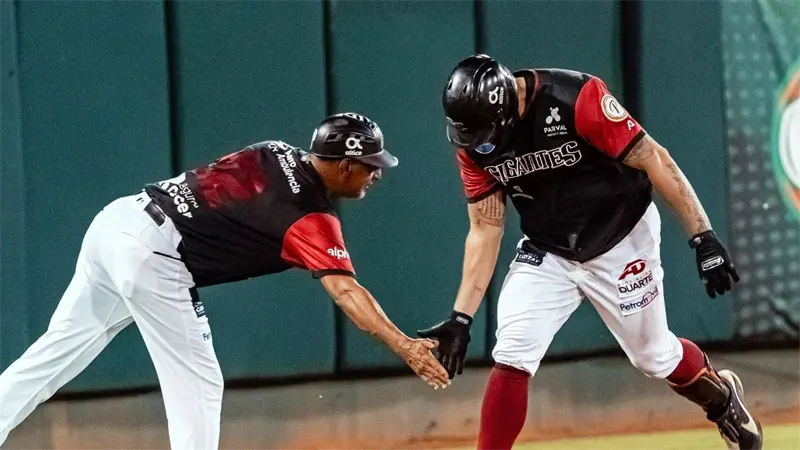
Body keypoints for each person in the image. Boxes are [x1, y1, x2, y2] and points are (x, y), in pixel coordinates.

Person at [0, 113, 450, 450]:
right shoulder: (311, 219)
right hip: (152, 253)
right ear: (346, 165)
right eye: (371, 164)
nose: (378, 173)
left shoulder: (273, 149)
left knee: (56, 351)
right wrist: (405, 345)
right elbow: (347, 291)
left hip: (118, 220)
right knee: (200, 382)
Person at [417, 55, 762, 450]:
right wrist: (461, 317)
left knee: (653, 356)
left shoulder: (574, 97)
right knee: (512, 352)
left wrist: (703, 237)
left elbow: (654, 158)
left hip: (620, 235)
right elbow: (486, 226)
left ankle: (721, 400)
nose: (478, 142)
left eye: (482, 129)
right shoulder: (474, 147)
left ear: (505, 106)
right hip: (548, 249)